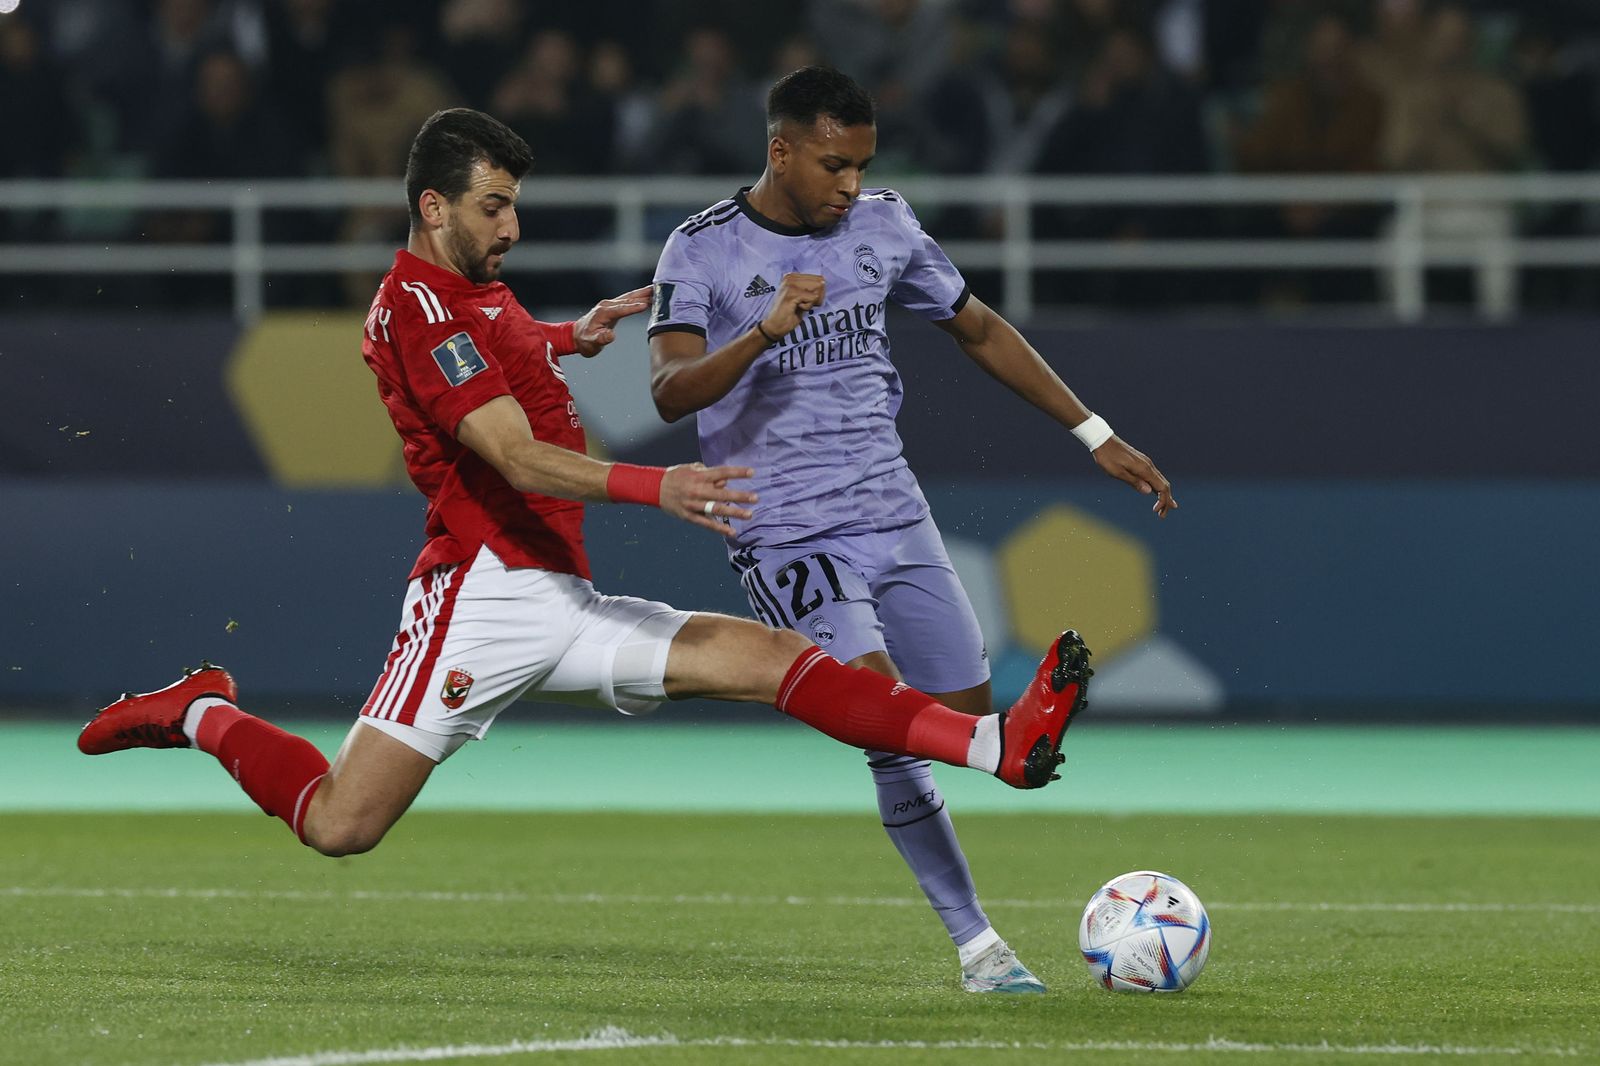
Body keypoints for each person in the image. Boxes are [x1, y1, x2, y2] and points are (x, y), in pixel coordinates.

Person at [76, 111, 1091, 960]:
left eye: (514, 200)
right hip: (479, 596)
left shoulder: (474, 295)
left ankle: (995, 743)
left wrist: (569, 335)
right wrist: (662, 485)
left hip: (558, 592)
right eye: (492, 204)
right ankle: (201, 710)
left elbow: (503, 350)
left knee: (773, 656)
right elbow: (513, 457)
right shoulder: (420, 306)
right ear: (433, 207)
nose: (511, 222)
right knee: (342, 823)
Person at [646, 67, 1175, 994]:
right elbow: (667, 391)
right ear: (780, 150)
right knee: (889, 728)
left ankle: (998, 751)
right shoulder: (703, 252)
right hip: (785, 528)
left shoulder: (884, 224)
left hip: (894, 508)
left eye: (860, 165)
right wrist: (765, 330)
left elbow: (975, 327)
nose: (849, 185)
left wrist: (1093, 431)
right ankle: (980, 950)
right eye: (832, 164)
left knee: (958, 721)